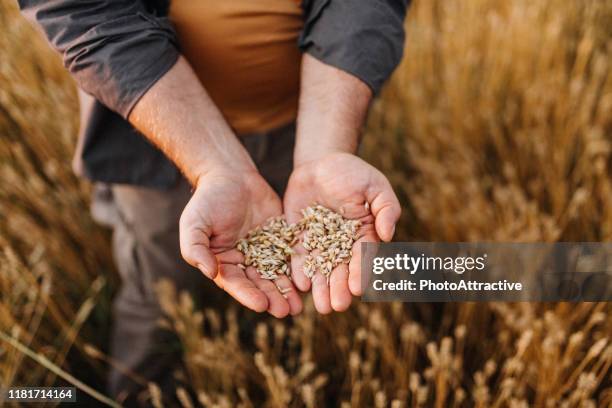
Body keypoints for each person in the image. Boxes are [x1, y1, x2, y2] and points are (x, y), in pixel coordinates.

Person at [20, 0, 407, 402]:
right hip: (159, 129)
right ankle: (140, 393)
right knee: (157, 288)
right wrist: (212, 164)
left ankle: (270, 364)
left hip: (306, 118)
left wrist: (325, 147)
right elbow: (83, 13)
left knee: (293, 283)